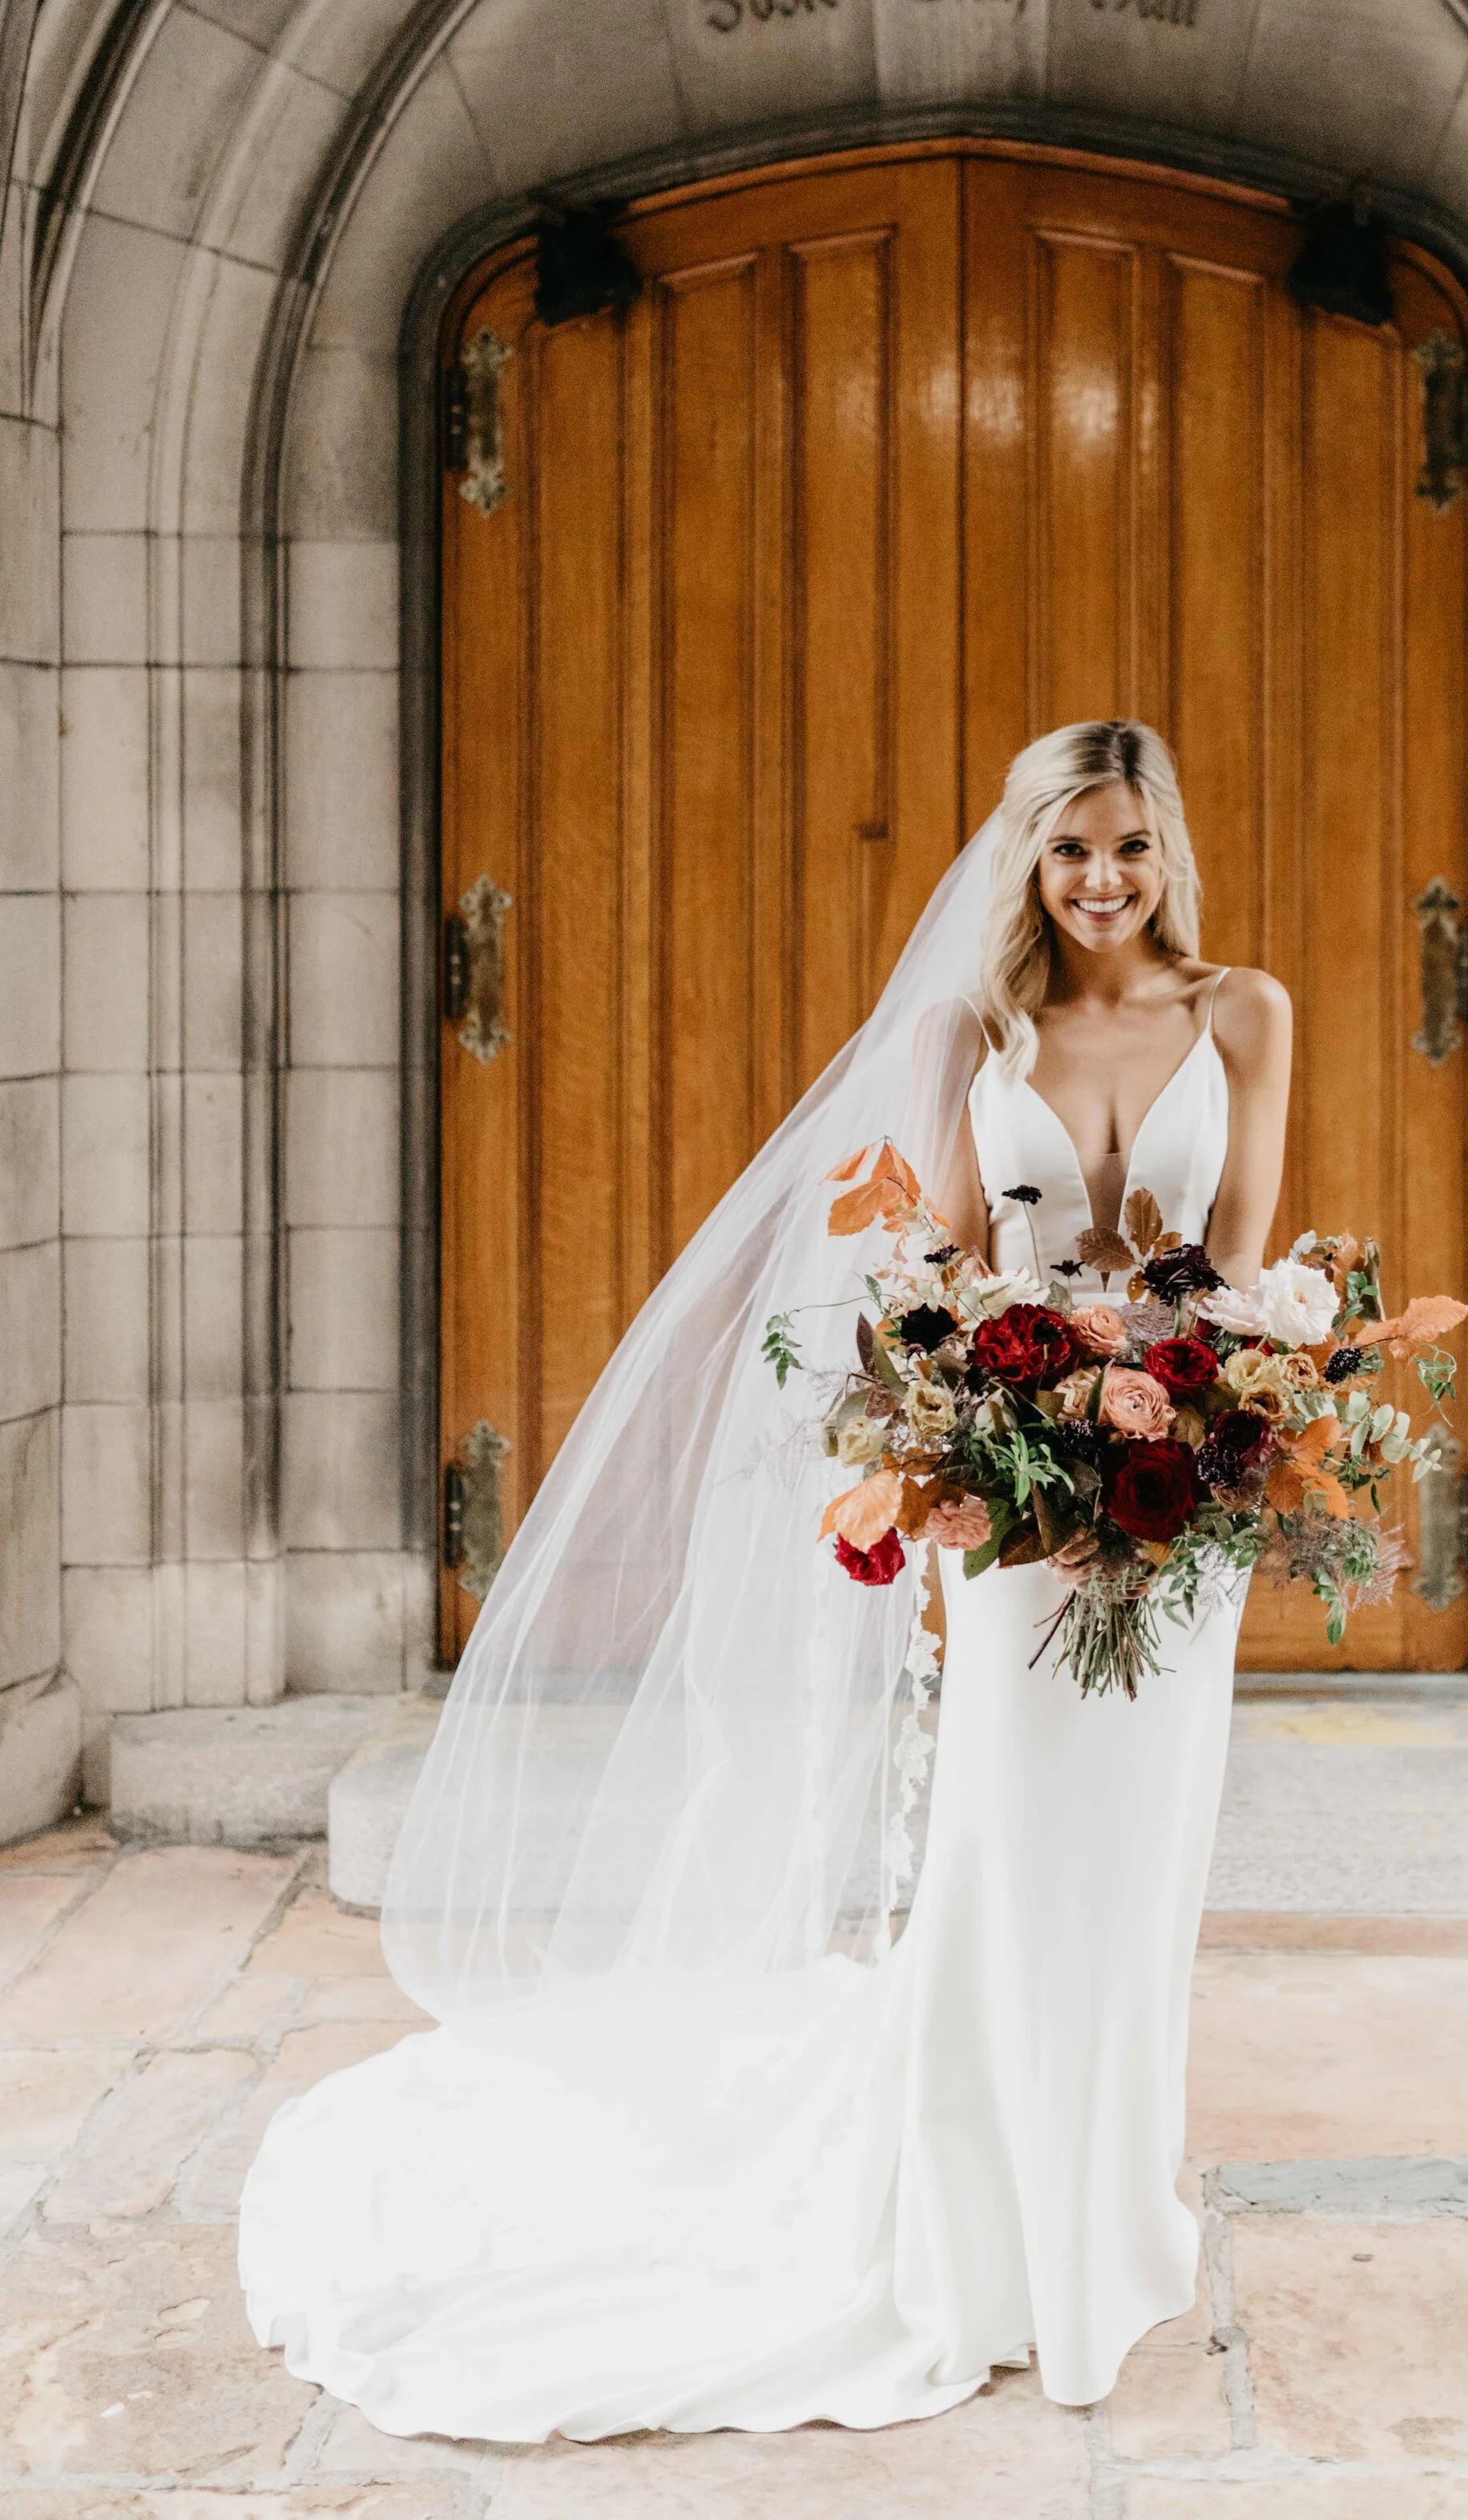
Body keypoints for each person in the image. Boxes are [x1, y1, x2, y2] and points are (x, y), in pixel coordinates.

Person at [239, 718, 1293, 2438]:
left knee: (1140, 1856)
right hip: (1011, 1522)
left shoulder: (1241, 1011)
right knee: (1002, 1848)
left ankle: (1103, 2217)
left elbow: (1237, 1257)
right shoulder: (981, 1026)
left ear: (1168, 850)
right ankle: (973, 2226)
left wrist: (1180, 1410)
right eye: (1067, 851)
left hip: (1180, 1503)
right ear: (1028, 864)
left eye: (1128, 847)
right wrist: (976, 1429)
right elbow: (949, 1272)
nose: (1101, 881)